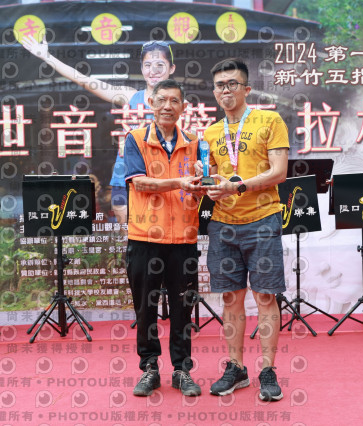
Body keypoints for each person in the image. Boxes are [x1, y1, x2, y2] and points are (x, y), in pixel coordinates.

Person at [202, 58, 289, 401]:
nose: (225, 90)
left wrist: (238, 186)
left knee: (265, 296)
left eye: (232, 84)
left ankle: (267, 370)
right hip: (223, 224)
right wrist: (209, 188)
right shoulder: (211, 133)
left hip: (263, 219)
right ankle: (236, 368)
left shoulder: (270, 120)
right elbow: (211, 177)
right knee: (230, 297)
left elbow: (279, 172)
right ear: (214, 92)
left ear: (246, 88)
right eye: (220, 85)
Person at [21, 36, 176, 223]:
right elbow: (84, 80)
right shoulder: (130, 96)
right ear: (142, 68)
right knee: (129, 237)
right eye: (148, 65)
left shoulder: (181, 106)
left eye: (160, 65)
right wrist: (48, 57)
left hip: (163, 181)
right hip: (125, 181)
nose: (153, 71)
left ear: (171, 69)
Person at [123, 79, 204, 397]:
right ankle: (149, 368)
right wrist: (180, 182)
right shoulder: (135, 139)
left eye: (174, 101)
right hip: (145, 237)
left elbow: (199, 184)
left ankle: (182, 370)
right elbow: (139, 183)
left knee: (183, 309)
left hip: (183, 238)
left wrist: (201, 186)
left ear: (183, 107)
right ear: (151, 104)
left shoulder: (194, 142)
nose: (168, 106)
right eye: (162, 100)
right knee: (146, 308)